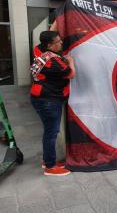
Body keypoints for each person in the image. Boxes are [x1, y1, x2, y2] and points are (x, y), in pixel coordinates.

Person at [30, 31, 75, 176]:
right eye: (58, 41)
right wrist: (71, 61)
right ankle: (50, 167)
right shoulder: (54, 62)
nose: (61, 43)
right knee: (51, 133)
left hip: (39, 96)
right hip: (48, 100)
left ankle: (47, 160)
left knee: (49, 131)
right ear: (49, 45)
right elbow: (71, 74)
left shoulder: (39, 50)